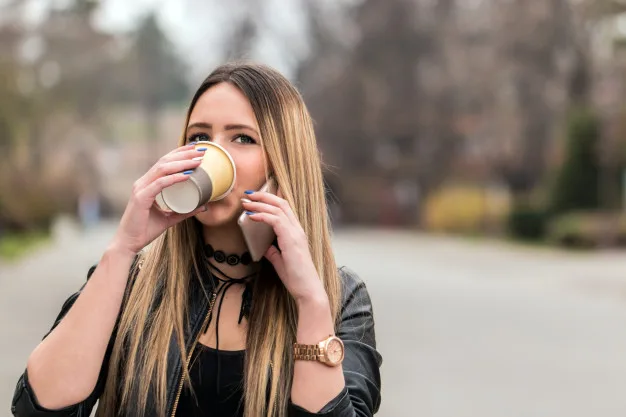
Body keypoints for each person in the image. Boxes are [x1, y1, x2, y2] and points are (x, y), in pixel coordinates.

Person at [11, 63, 382, 417]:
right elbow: (39, 409)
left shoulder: (340, 297)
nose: (208, 153)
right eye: (198, 137)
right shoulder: (134, 281)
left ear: (283, 162)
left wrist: (310, 304)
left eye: (242, 138)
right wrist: (122, 249)